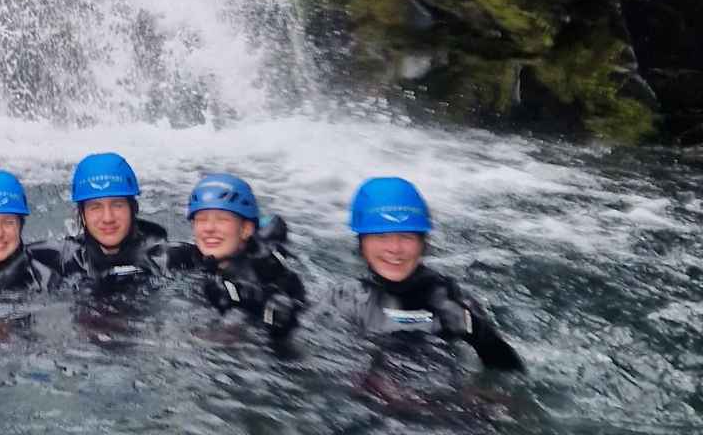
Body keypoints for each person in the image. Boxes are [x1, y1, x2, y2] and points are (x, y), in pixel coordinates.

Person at [319, 177, 524, 371]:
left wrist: (479, 334)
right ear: (361, 244)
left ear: (422, 243)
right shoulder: (343, 298)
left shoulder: (452, 299)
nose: (395, 248)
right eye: (381, 236)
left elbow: (511, 373)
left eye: (406, 236)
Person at [166, 172, 306, 339]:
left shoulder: (267, 278)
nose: (209, 228)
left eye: (222, 219)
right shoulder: (184, 258)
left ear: (246, 229)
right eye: (201, 220)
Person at [48, 152, 168, 287]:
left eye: (117, 205)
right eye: (95, 207)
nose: (108, 218)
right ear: (82, 214)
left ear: (133, 209)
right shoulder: (61, 261)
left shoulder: (166, 259)